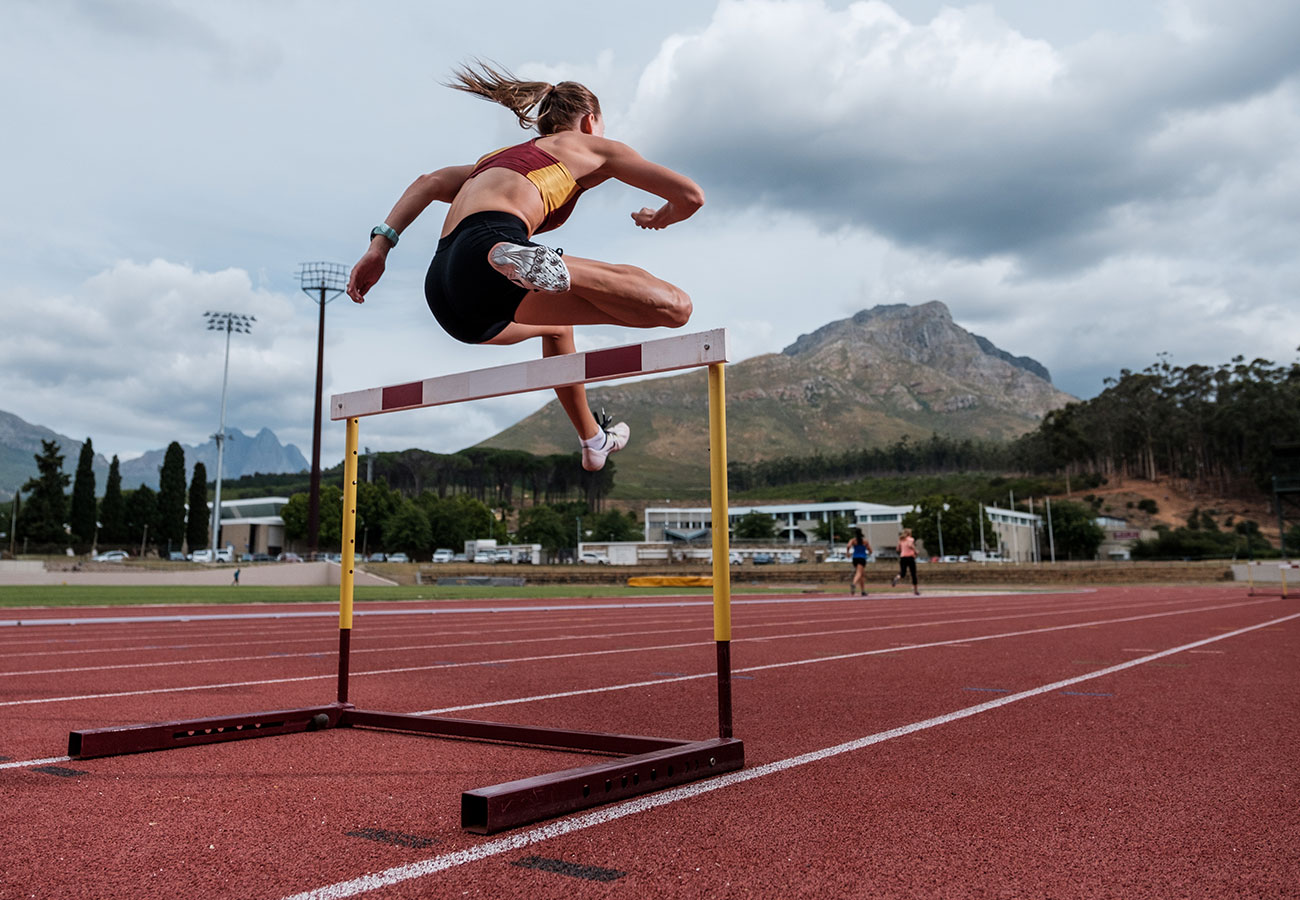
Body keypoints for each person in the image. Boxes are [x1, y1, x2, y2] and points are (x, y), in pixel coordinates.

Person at [346, 61, 705, 472]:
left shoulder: (495, 160)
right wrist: (660, 217)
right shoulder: (591, 146)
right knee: (675, 307)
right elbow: (691, 196)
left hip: (449, 291)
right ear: (590, 121)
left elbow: (429, 181)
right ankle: (548, 265)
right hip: (494, 249)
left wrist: (380, 248)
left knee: (558, 327)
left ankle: (593, 441)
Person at [892, 528, 919, 595]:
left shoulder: (901, 540)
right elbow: (910, 545)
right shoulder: (911, 539)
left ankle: (897, 577)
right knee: (913, 573)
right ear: (909, 533)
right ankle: (915, 590)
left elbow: (897, 549)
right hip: (910, 557)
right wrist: (915, 551)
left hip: (903, 557)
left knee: (903, 572)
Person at [846, 528, 872, 596]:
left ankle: (863, 591)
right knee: (859, 573)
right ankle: (853, 584)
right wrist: (869, 553)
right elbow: (870, 550)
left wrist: (848, 552)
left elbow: (848, 545)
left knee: (862, 575)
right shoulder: (865, 541)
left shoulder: (853, 540)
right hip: (862, 558)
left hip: (855, 558)